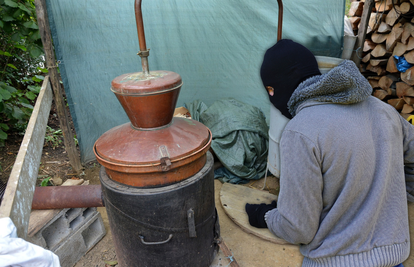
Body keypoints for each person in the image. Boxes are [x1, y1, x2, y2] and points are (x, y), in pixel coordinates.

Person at [245, 39, 414, 267]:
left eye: (271, 90)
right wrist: (393, 196)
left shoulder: (301, 131)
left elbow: (298, 229)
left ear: (282, 85)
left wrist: (266, 216)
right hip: (393, 261)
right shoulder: (386, 112)